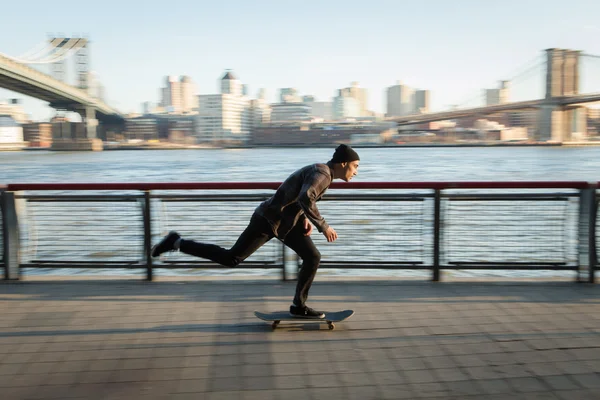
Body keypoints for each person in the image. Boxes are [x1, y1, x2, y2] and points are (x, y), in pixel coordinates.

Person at [151, 144, 360, 319]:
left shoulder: (322, 172)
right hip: (267, 220)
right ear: (343, 164)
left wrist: (304, 219)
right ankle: (176, 242)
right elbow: (306, 197)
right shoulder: (323, 174)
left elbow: (300, 198)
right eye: (355, 166)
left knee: (312, 257)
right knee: (231, 258)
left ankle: (299, 306)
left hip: (287, 222)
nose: (356, 171)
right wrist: (323, 226)